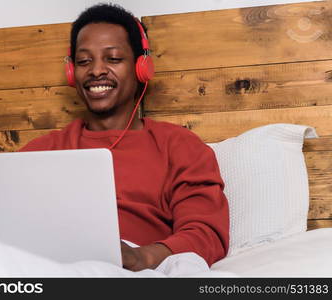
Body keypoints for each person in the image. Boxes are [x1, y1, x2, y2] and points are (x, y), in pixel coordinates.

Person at [20, 3, 229, 272]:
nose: (96, 71)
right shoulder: (43, 150)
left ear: (142, 67)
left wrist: (141, 257)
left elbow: (205, 233)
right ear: (72, 73)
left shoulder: (180, 146)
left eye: (113, 58)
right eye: (84, 61)